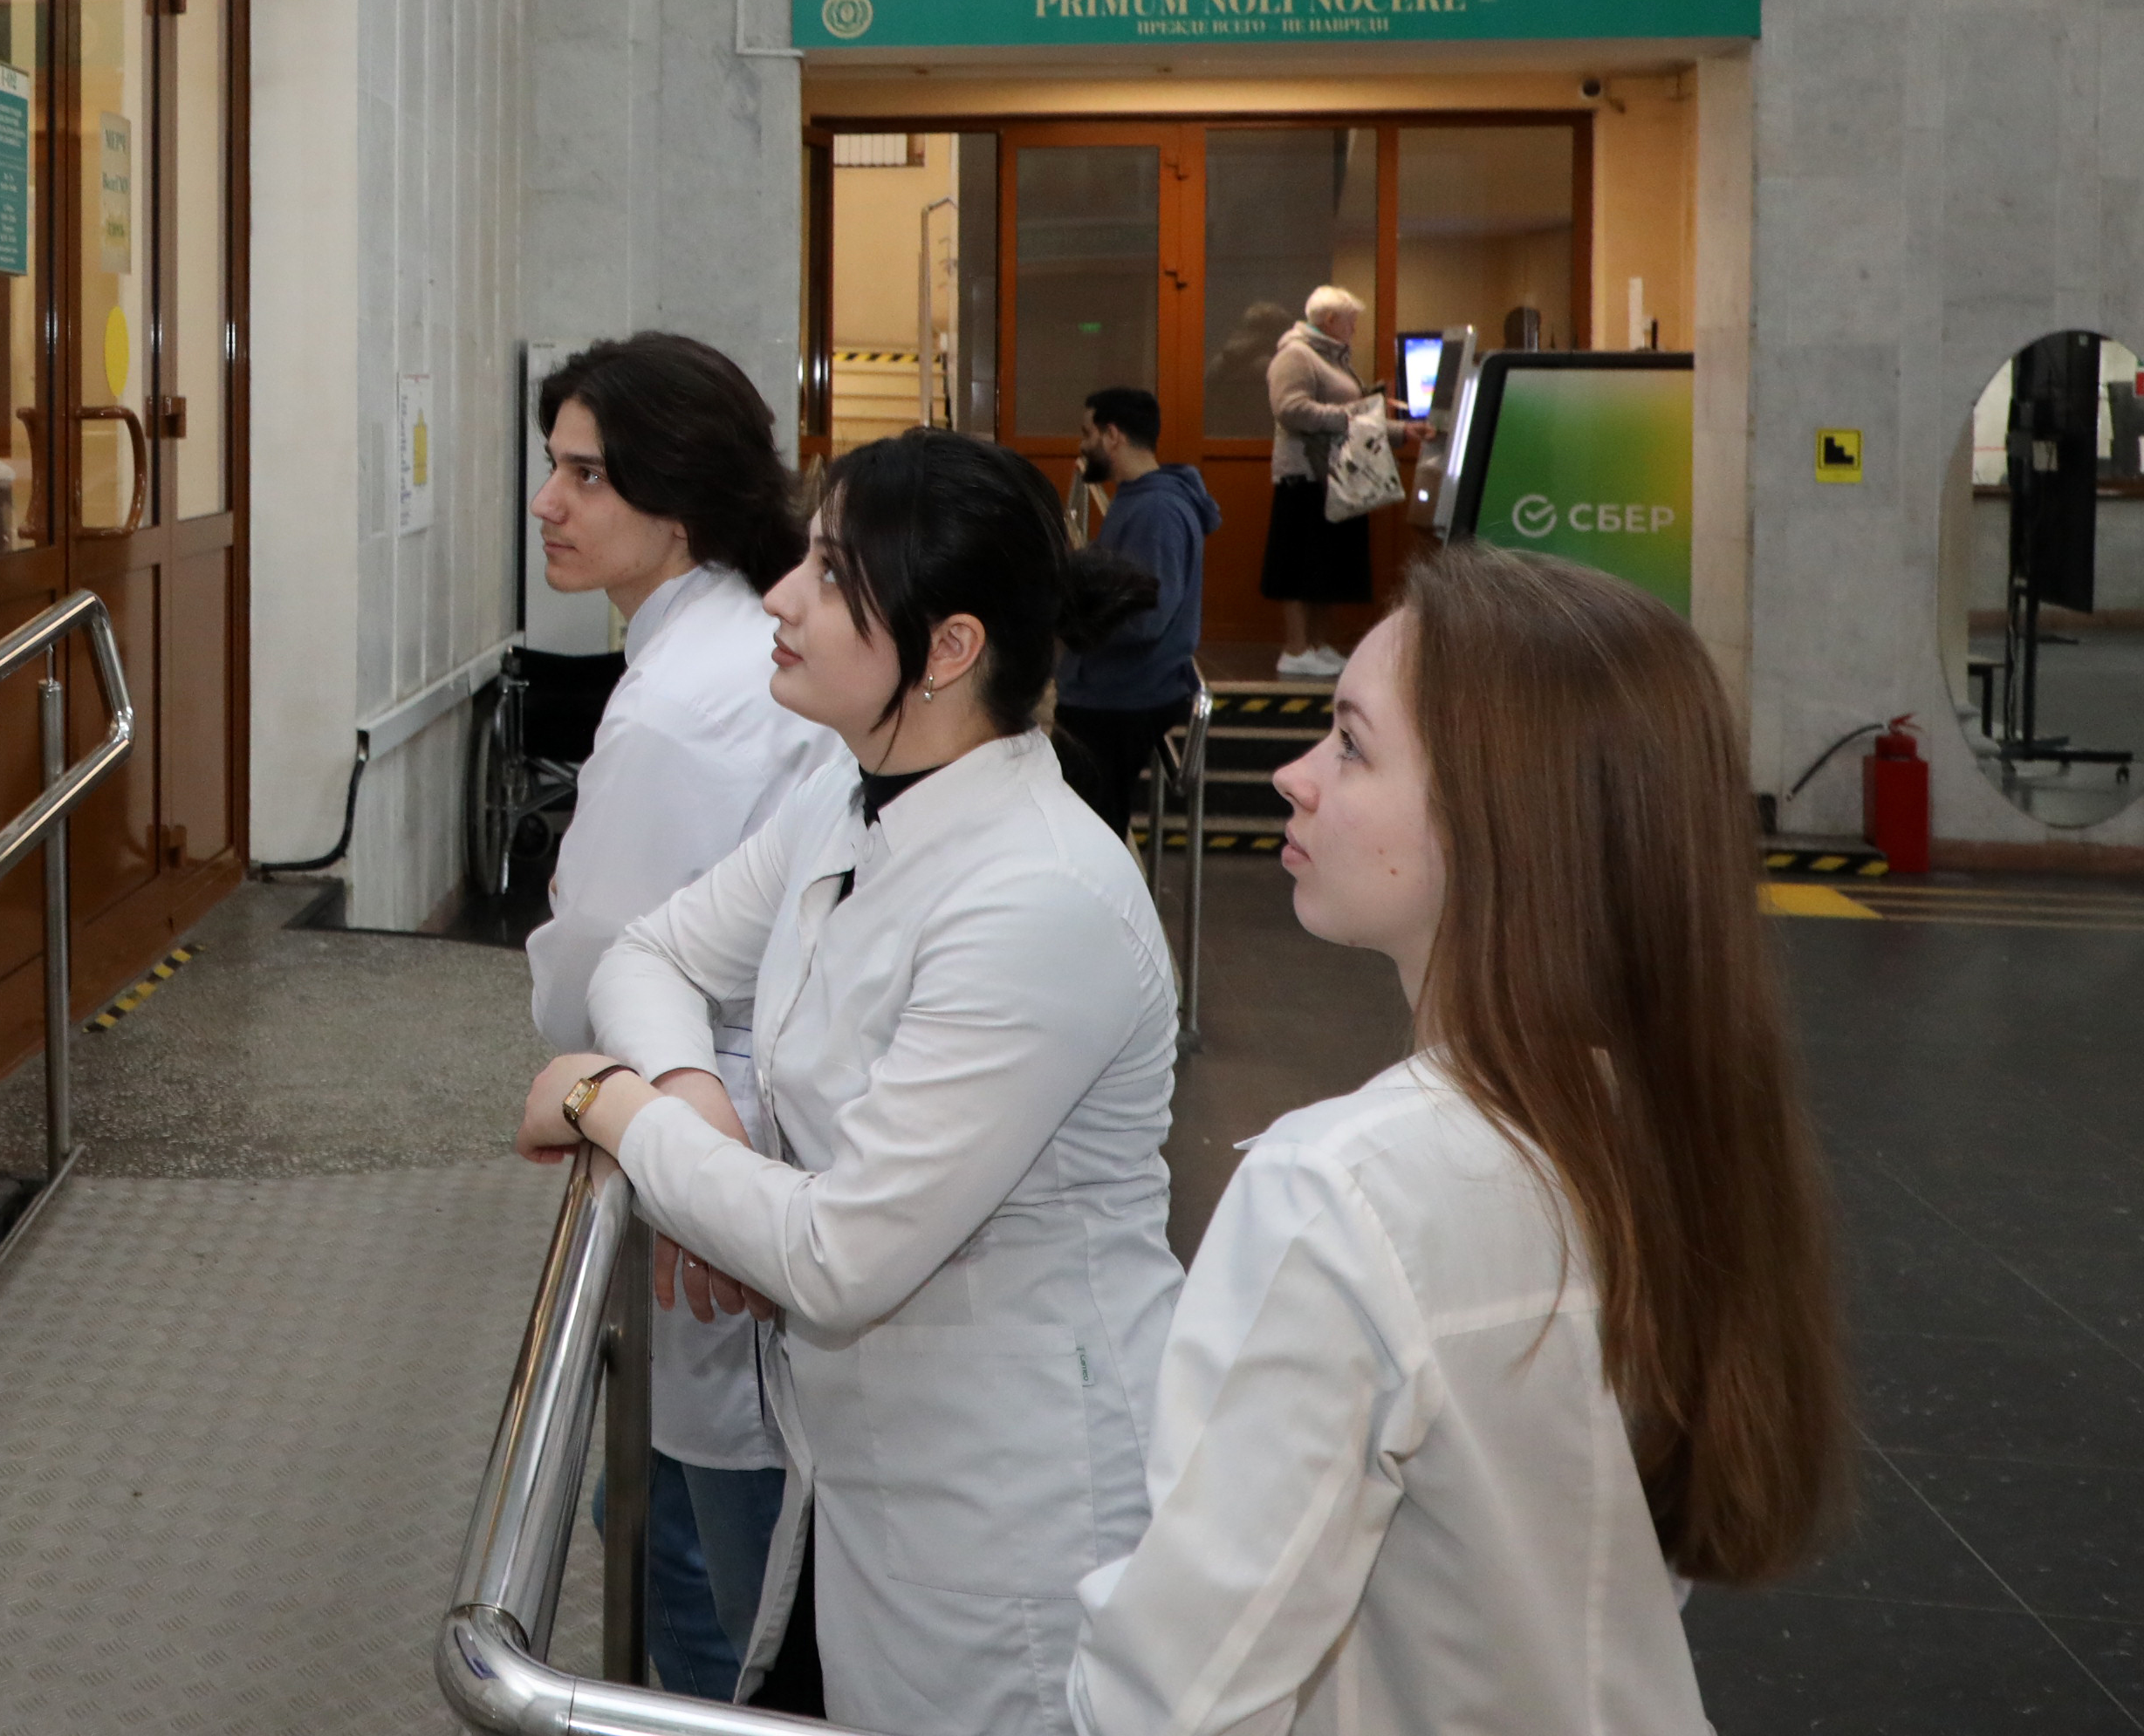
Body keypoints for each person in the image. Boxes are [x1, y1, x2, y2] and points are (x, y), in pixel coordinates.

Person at [1067, 549, 1847, 1730]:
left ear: (1501, 819)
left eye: (1350, 744)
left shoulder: (1345, 1191)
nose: (1293, 775)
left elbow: (1175, 1697)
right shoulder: (1666, 1123)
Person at [522, 427, 1176, 1735]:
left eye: (829, 573)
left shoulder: (1038, 896)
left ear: (948, 649)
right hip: (864, 1467)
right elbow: (651, 953)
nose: (778, 596)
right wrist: (694, 1097)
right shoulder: (851, 794)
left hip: (1012, 1516)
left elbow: (837, 1258)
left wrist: (614, 1107)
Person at [518, 335, 833, 1701]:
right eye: (552, 467)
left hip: (726, 1165)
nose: (549, 502)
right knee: (662, 1524)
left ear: (681, 498)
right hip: (732, 1119)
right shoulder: (732, 646)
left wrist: (599, 1024)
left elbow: (589, 971)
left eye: (589, 475)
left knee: (712, 1583)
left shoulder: (677, 710)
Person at [1054, 387, 1218, 839]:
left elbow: (1146, 616)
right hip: (1107, 691)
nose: (1081, 446)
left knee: (1090, 831)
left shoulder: (1157, 510)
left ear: (1112, 436)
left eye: (1087, 434)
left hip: (1119, 698)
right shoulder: (1138, 499)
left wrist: (1068, 622)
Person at [1262, 285, 1370, 678]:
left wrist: (1375, 415)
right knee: (1299, 563)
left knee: (1326, 566)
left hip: (1335, 475)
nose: (1354, 329)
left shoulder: (1332, 358)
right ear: (1329, 320)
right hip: (1305, 475)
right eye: (1350, 322)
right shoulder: (1296, 355)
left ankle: (1317, 645)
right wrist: (1353, 415)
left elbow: (1343, 409)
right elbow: (1291, 409)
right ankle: (1296, 647)